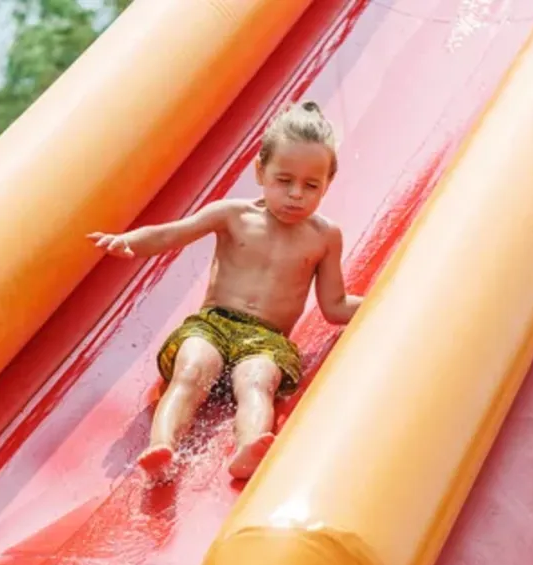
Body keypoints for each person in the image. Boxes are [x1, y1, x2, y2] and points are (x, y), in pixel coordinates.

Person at [89, 101, 362, 479]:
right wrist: (129, 241)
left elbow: (334, 306)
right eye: (284, 180)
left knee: (257, 383)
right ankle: (162, 447)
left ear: (327, 185)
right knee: (192, 368)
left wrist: (388, 301)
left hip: (266, 340)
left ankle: (250, 446)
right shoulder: (232, 215)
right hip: (213, 325)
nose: (296, 193)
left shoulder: (324, 237)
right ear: (260, 171)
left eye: (311, 185)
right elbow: (173, 233)